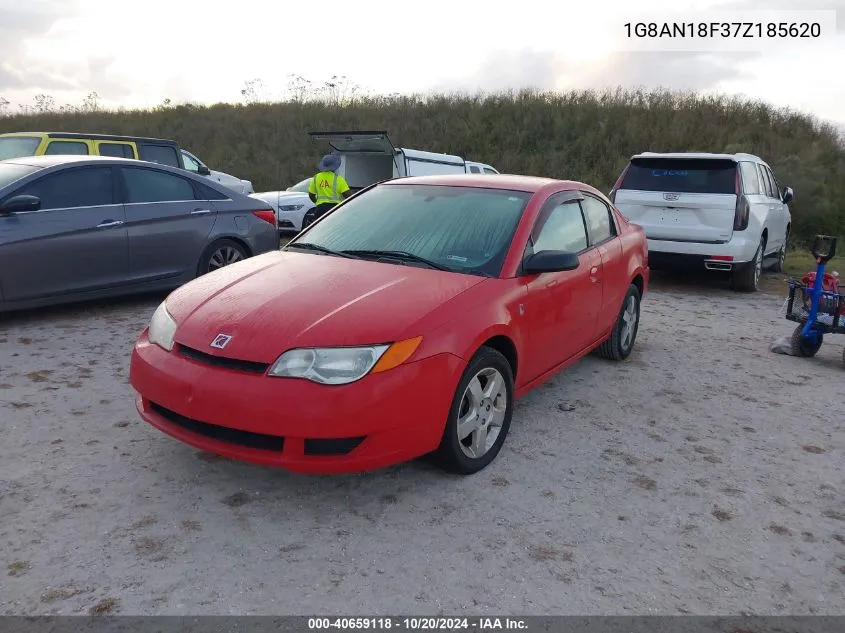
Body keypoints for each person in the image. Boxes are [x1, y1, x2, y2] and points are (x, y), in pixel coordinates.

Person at [302, 154, 350, 229]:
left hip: (320, 210)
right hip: (334, 210)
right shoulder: (338, 179)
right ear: (335, 167)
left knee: (319, 230)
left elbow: (311, 195)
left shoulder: (316, 177)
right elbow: (348, 195)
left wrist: (318, 203)